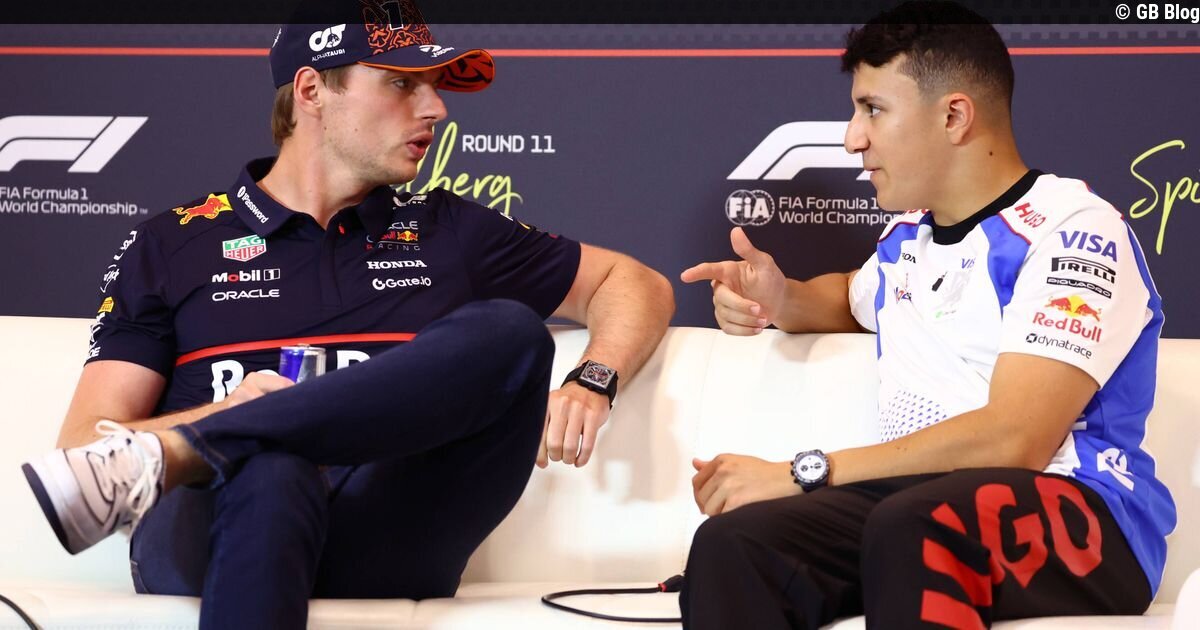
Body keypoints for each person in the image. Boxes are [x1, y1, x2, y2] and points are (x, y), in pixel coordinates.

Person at [20, 2, 674, 628]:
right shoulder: (172, 243)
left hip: (386, 529)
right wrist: (233, 418)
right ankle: (226, 445)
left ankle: (200, 445)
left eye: (433, 85)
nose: (436, 108)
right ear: (311, 91)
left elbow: (632, 282)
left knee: (513, 333)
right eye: (402, 83)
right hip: (215, 524)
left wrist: (592, 378)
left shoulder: (450, 229)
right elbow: (84, 454)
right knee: (272, 470)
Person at [677, 2, 1175, 628]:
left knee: (913, 526)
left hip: (1087, 516)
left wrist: (805, 473)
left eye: (873, 109)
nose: (852, 138)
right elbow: (851, 296)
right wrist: (779, 299)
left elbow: (1015, 440)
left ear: (954, 116)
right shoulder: (906, 238)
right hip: (919, 504)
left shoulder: (1075, 230)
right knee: (734, 546)